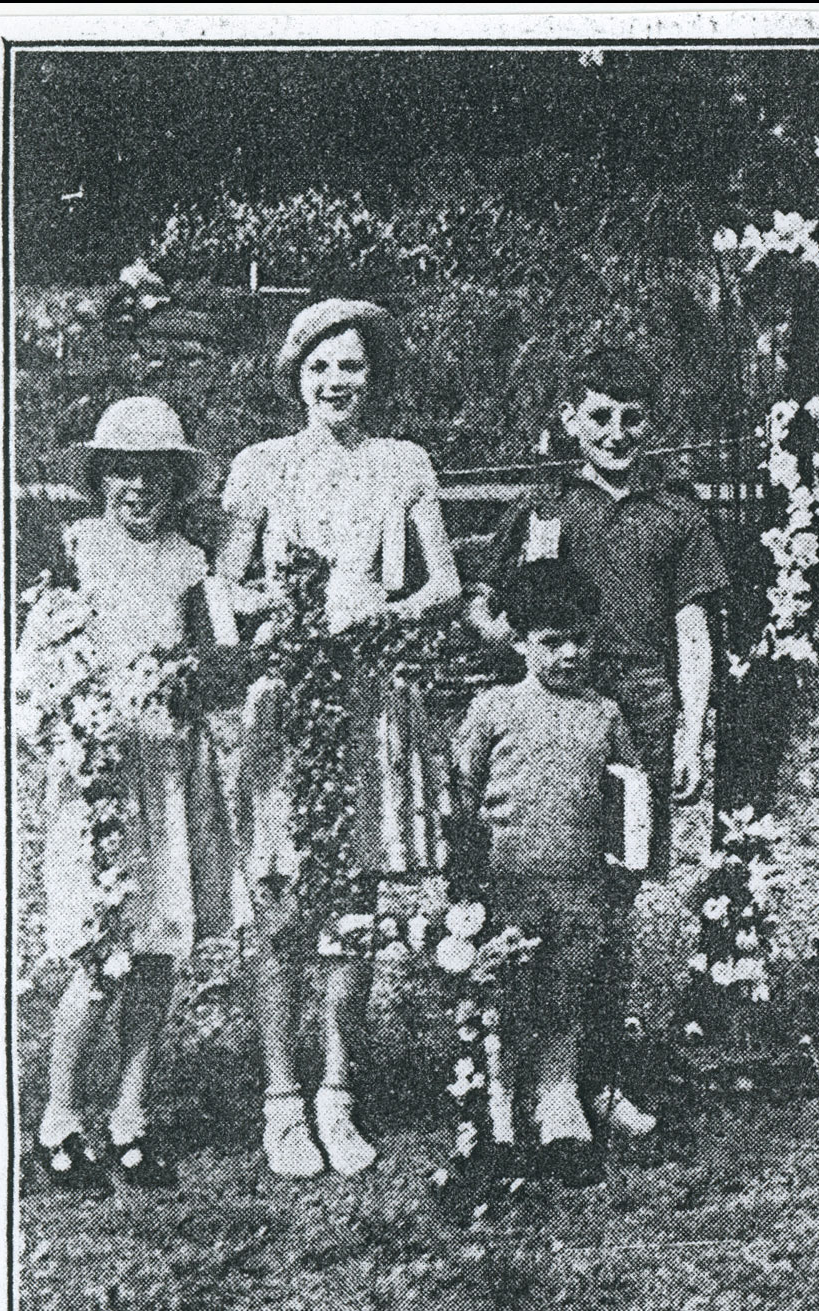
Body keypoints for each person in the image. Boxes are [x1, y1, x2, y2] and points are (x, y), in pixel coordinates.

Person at [217, 298, 464, 1177]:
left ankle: (337, 1090)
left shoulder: (402, 463)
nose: (335, 382)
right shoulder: (263, 466)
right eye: (319, 367)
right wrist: (285, 608)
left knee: (352, 901)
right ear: (296, 378)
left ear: (373, 376)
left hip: (366, 695)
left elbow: (444, 586)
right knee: (282, 897)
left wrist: (379, 613)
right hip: (287, 699)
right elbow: (222, 586)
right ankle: (281, 1100)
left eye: (351, 366)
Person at [25, 397, 239, 1193]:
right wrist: (74, 728)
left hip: (169, 773)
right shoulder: (73, 552)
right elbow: (34, 676)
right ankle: (58, 1118)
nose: (138, 487)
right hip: (99, 785)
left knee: (156, 951)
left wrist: (193, 683)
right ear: (101, 478)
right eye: (123, 471)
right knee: (99, 953)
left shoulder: (190, 563)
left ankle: (130, 1114)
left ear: (175, 483)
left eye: (154, 473)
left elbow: (215, 666)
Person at [450, 560, 650, 1186]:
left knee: (567, 988)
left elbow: (629, 796)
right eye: (550, 641)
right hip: (509, 881)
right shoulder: (494, 708)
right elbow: (461, 793)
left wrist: (624, 868)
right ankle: (502, 1104)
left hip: (580, 882)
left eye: (579, 640)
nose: (568, 654)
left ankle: (559, 1097)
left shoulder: (604, 714)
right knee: (509, 992)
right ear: (519, 641)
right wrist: (466, 876)